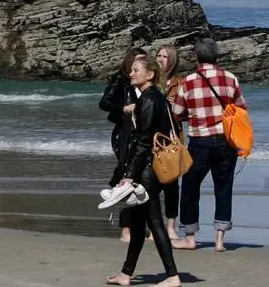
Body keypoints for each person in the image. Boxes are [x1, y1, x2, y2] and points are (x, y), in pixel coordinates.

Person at [106, 54, 181, 287]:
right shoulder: (156, 98)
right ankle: (126, 274)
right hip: (151, 167)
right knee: (138, 225)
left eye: (136, 70)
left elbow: (143, 141)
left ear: (150, 75)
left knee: (154, 222)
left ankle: (172, 276)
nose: (131, 73)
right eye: (131, 70)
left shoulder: (149, 100)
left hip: (147, 169)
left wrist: (130, 175)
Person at [171, 37, 247, 253]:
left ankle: (190, 237)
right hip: (225, 141)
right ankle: (219, 240)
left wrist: (192, 115)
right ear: (216, 56)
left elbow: (176, 114)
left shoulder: (187, 82)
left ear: (196, 56)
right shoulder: (230, 78)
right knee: (223, 188)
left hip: (200, 141)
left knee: (190, 187)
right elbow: (241, 108)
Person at [100, 47, 147, 242]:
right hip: (124, 134)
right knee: (127, 177)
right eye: (136, 63)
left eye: (142, 63)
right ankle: (126, 230)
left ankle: (140, 228)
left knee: (140, 181)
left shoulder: (143, 84)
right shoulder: (121, 79)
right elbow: (105, 103)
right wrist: (124, 109)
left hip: (138, 134)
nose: (137, 68)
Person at [155, 44, 183, 241]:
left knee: (172, 185)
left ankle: (171, 226)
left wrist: (175, 107)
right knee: (150, 183)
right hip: (152, 137)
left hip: (172, 139)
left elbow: (186, 113)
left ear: (172, 60)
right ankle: (154, 227)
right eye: (158, 55)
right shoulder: (150, 80)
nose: (160, 59)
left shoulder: (179, 83)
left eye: (164, 56)